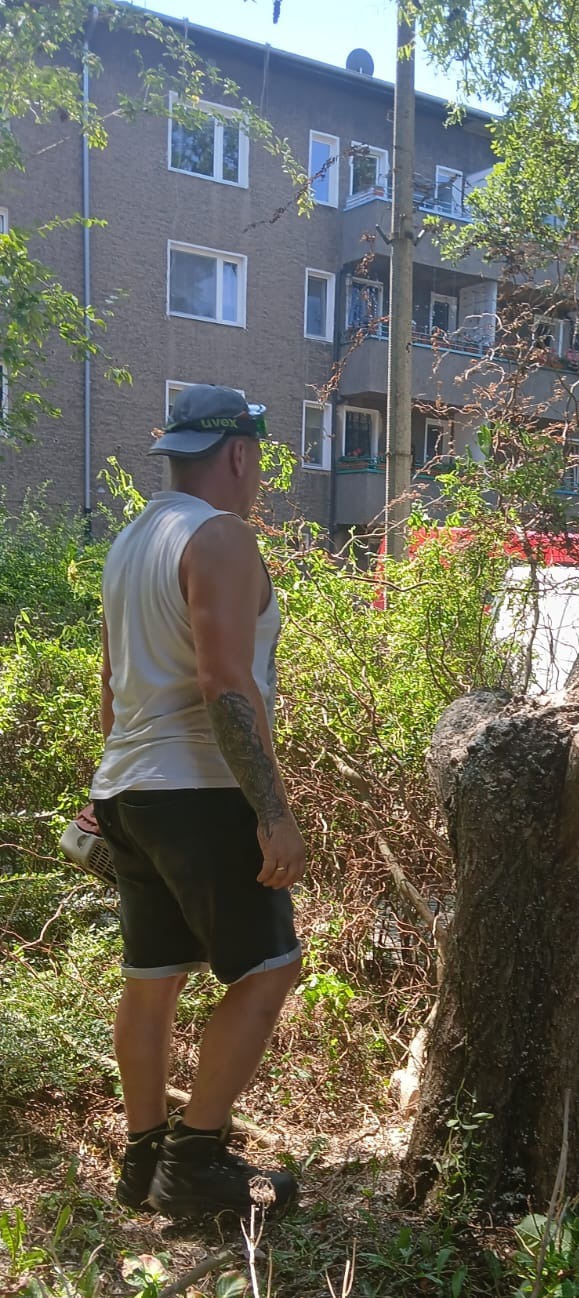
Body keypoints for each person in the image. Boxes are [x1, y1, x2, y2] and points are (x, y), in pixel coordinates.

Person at [88, 385, 306, 1219]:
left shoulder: (129, 542)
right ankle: (196, 1162)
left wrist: (102, 794)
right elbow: (225, 684)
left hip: (129, 790)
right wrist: (273, 812)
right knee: (270, 969)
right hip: (202, 789)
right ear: (240, 455)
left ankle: (142, 1162)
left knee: (152, 979)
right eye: (255, 464)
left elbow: (110, 693)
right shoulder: (220, 536)